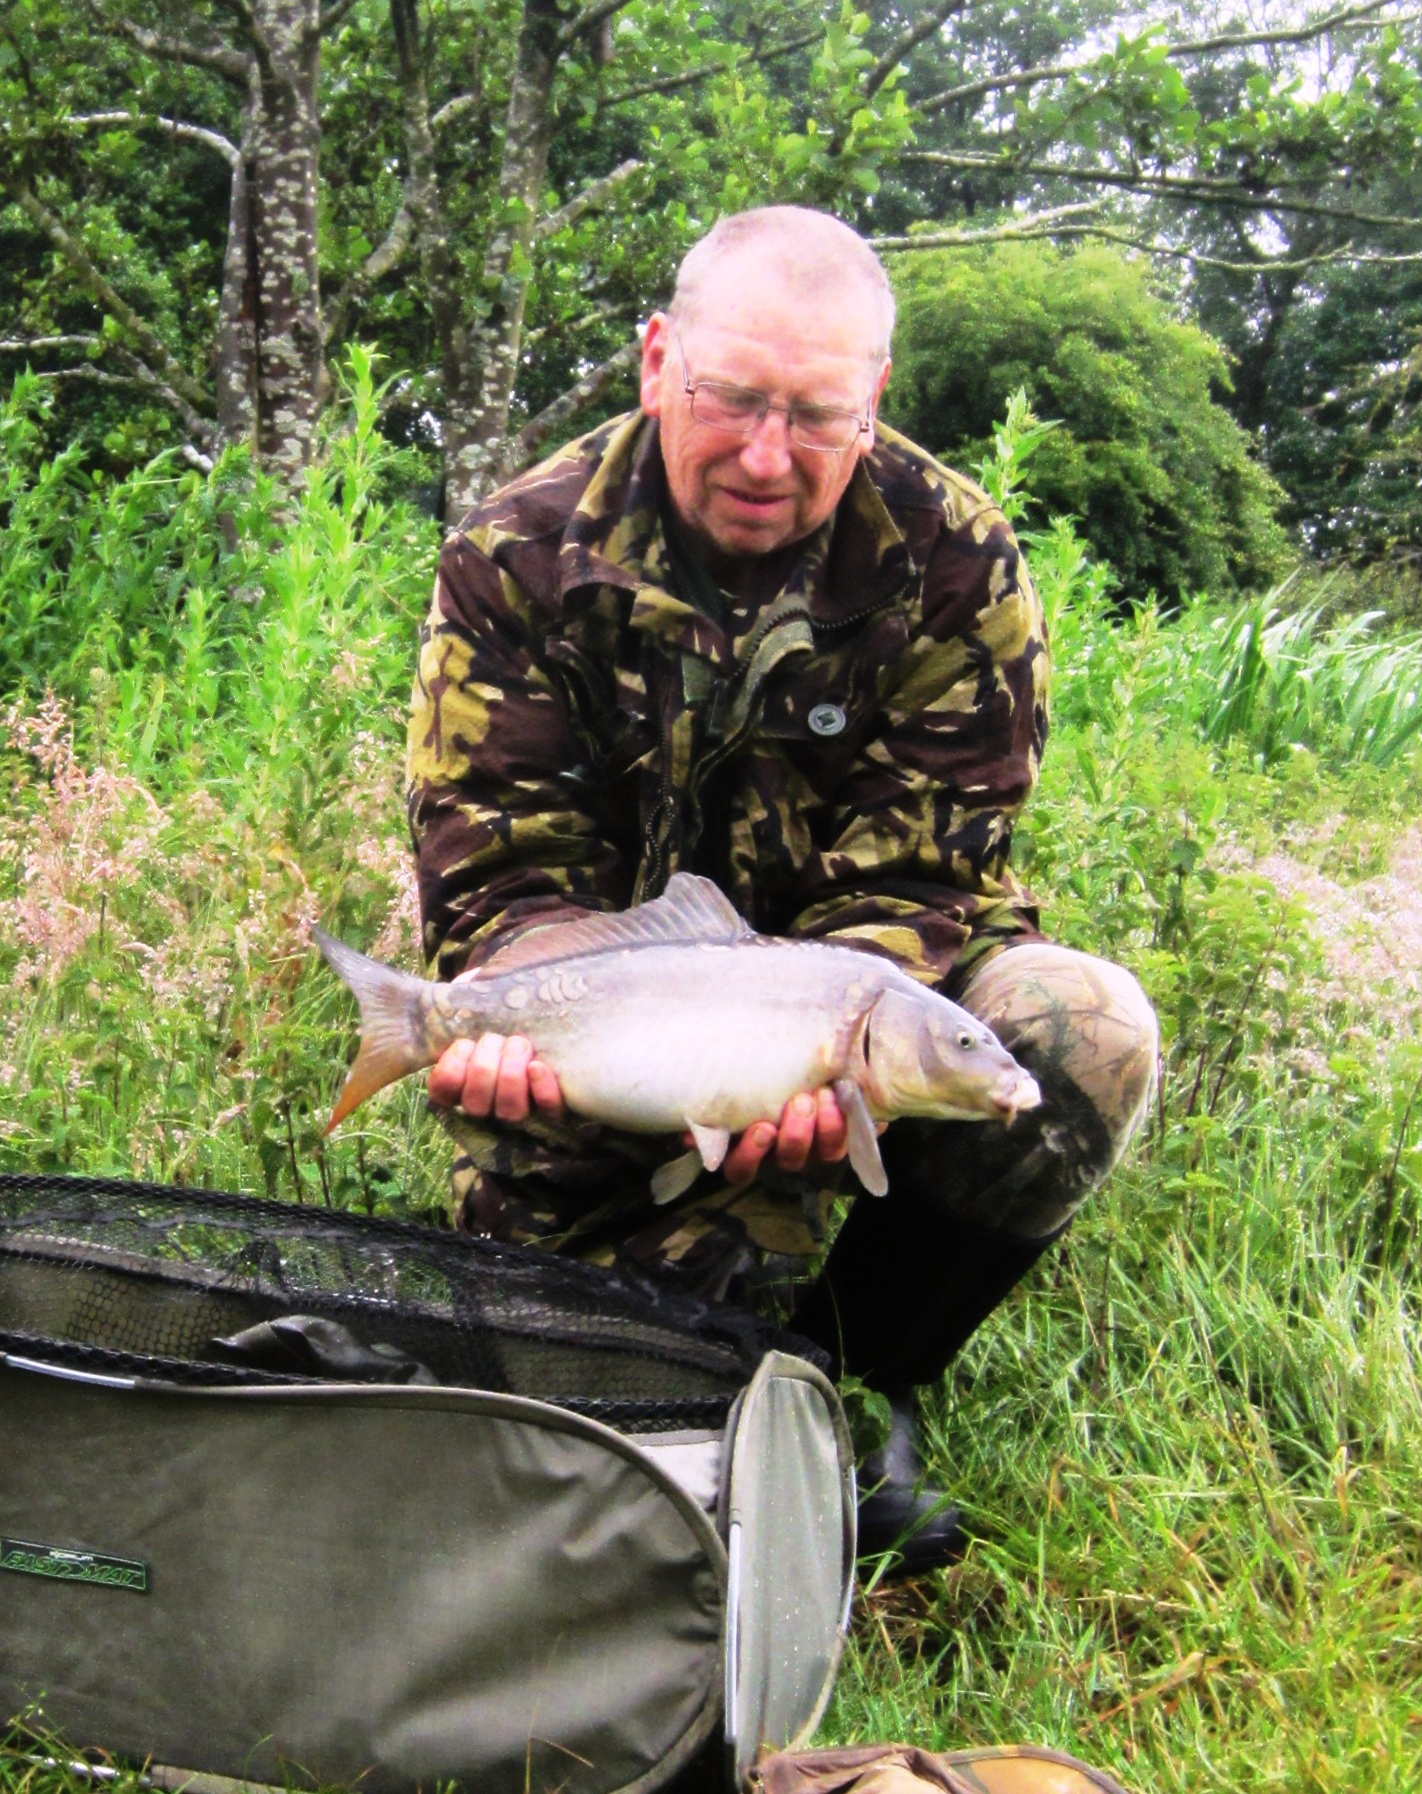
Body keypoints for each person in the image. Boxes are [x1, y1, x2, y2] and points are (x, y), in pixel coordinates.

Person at [406, 206, 1158, 1574]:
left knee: (1079, 1031)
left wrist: (824, 1056)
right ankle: (671, 1339)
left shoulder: (954, 558)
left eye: (815, 417)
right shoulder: (515, 552)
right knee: (581, 1395)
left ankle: (865, 1372)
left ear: (871, 399)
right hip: (621, 989)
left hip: (850, 994)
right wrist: (515, 1015)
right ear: (655, 362)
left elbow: (929, 869)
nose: (766, 455)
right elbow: (499, 863)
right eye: (731, 399)